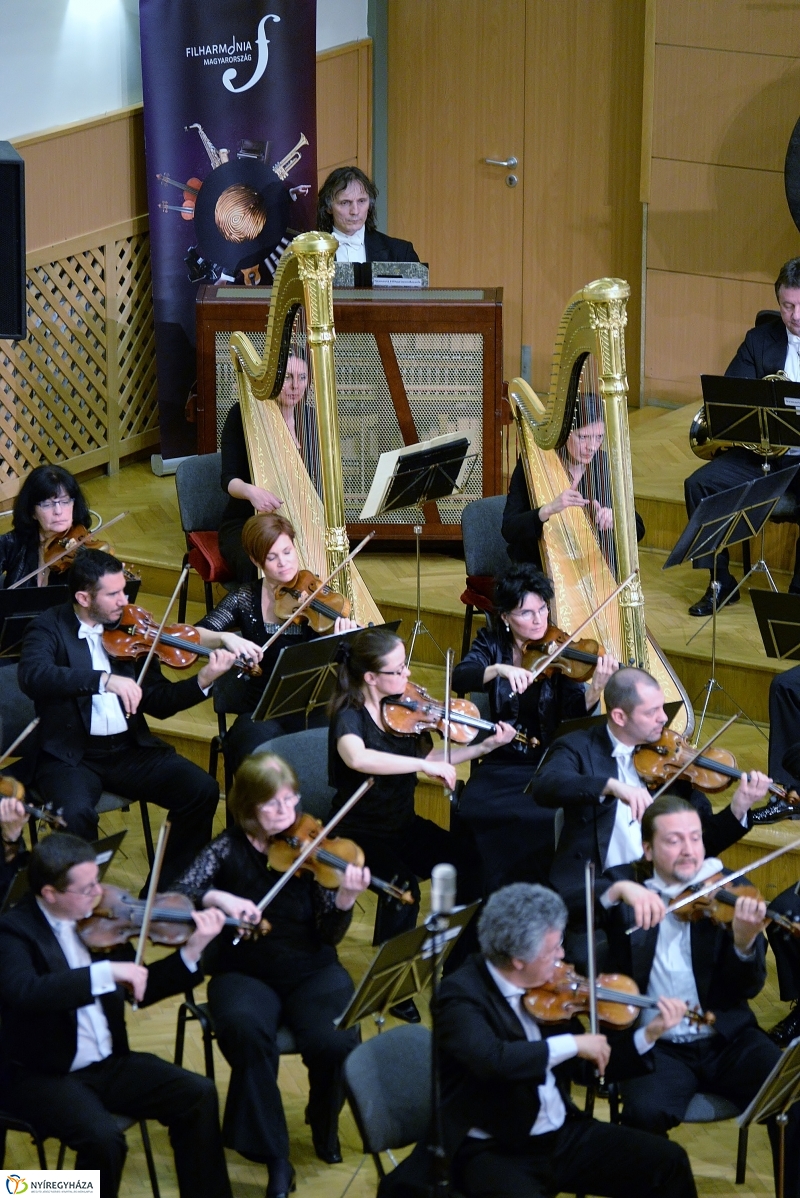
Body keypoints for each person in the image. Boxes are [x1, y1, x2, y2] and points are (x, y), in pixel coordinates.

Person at [173, 753, 368, 1197]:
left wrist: (344, 901)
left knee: (336, 1037)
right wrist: (219, 899)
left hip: (312, 969)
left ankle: (323, 1119)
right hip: (244, 971)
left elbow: (330, 935)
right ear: (246, 807)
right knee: (245, 1030)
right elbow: (182, 893)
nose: (287, 812)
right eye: (272, 805)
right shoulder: (225, 849)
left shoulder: (311, 848)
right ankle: (276, 1158)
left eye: (291, 799)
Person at [0, 833, 231, 1198]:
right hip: (43, 1074)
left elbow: (141, 988)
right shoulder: (14, 932)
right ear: (50, 893)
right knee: (104, 1140)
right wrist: (103, 974)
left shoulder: (100, 922)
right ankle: (22, 1191)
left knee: (197, 1094)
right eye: (86, 887)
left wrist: (193, 950)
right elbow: (25, 992)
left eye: (97, 879)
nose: (98, 892)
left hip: (108, 1064)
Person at [434, 882, 698, 1198]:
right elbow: (495, 1061)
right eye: (552, 950)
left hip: (561, 1136)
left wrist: (649, 1033)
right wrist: (573, 1044)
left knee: (669, 1163)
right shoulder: (460, 996)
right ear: (518, 959)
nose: (562, 957)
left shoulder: (550, 989)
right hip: (495, 1149)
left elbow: (585, 1068)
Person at [600, 795, 800, 1194]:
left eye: (695, 838)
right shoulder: (626, 892)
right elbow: (574, 900)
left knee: (791, 1099)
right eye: (674, 840)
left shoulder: (730, 891)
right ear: (648, 848)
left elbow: (747, 989)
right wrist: (620, 889)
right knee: (642, 1112)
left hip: (728, 1039)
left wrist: (744, 944)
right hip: (659, 1045)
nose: (690, 849)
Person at [18, 548, 237, 887]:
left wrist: (202, 681)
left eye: (124, 589)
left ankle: (166, 892)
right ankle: (82, 904)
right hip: (71, 755)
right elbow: (33, 675)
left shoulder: (132, 629)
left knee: (201, 790)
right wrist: (102, 680)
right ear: (83, 597)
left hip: (128, 750)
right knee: (75, 815)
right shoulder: (48, 627)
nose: (124, 600)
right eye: (114, 593)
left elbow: (159, 702)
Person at [328, 626, 517, 952]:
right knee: (403, 892)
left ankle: (459, 958)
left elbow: (432, 756)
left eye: (406, 664)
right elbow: (356, 757)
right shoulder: (350, 714)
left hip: (401, 825)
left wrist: (484, 748)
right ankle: (388, 986)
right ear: (371, 678)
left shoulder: (403, 708)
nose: (408, 673)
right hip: (357, 833)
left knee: (469, 864)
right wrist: (423, 766)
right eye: (398, 669)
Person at [528, 667, 769, 919]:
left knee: (742, 915)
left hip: (668, 879)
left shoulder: (671, 761)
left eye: (662, 708)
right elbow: (546, 785)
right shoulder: (578, 746)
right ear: (620, 717)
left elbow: (703, 843)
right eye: (652, 712)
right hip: (605, 886)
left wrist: (738, 809)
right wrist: (610, 786)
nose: (664, 718)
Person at [451, 563, 618, 895]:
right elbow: (461, 676)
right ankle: (484, 902)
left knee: (543, 819)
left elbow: (571, 722)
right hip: (502, 758)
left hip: (548, 762)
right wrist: (498, 669)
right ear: (505, 617)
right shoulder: (491, 642)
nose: (539, 620)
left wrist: (595, 690)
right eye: (526, 613)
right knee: (473, 808)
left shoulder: (561, 647)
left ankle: (539, 900)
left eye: (542, 608)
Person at [197, 512, 358, 772]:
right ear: (256, 560)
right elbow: (195, 634)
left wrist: (343, 637)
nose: (284, 563)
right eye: (272, 558)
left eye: (287, 552)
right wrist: (225, 637)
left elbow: (350, 662)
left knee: (344, 747)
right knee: (259, 759)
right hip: (263, 712)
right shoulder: (244, 598)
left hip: (315, 709)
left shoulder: (318, 595)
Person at [685, 256, 800, 615]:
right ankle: (720, 583)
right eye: (787, 306)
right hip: (762, 455)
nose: (795, 315)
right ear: (778, 302)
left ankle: (797, 595)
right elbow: (730, 396)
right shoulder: (759, 339)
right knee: (699, 485)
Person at [502, 398, 645, 570]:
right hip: (539, 567)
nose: (592, 447)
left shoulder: (607, 465)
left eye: (599, 437)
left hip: (592, 568)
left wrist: (617, 519)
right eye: (583, 437)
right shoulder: (534, 465)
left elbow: (639, 528)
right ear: (565, 432)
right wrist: (548, 509)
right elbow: (509, 529)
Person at [218, 354, 314, 583]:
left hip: (296, 519)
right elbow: (228, 479)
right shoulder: (242, 416)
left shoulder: (309, 419)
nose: (295, 386)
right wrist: (252, 492)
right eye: (287, 377)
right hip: (247, 521)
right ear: (272, 380)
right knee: (262, 565)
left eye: (302, 377)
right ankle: (261, 616)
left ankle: (312, 617)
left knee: (320, 559)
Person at [0, 464, 94, 589]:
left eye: (65, 502)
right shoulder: (13, 542)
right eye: (47, 504)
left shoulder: (82, 546)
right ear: (32, 511)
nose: (58, 511)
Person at [317, 166, 419, 264]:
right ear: (328, 207)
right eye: (345, 203)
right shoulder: (308, 252)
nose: (355, 211)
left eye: (361, 201)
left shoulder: (401, 253)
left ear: (370, 204)